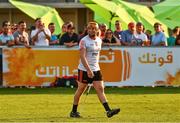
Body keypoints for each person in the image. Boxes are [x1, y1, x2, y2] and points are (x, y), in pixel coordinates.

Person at [70, 22, 120, 118]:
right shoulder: (83, 41)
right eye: (90, 28)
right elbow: (82, 57)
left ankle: (108, 111)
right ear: (87, 29)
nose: (92, 30)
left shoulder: (99, 40)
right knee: (80, 90)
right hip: (84, 69)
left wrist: (94, 68)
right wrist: (88, 70)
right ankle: (73, 111)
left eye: (94, 28)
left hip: (96, 68)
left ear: (97, 30)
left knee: (100, 89)